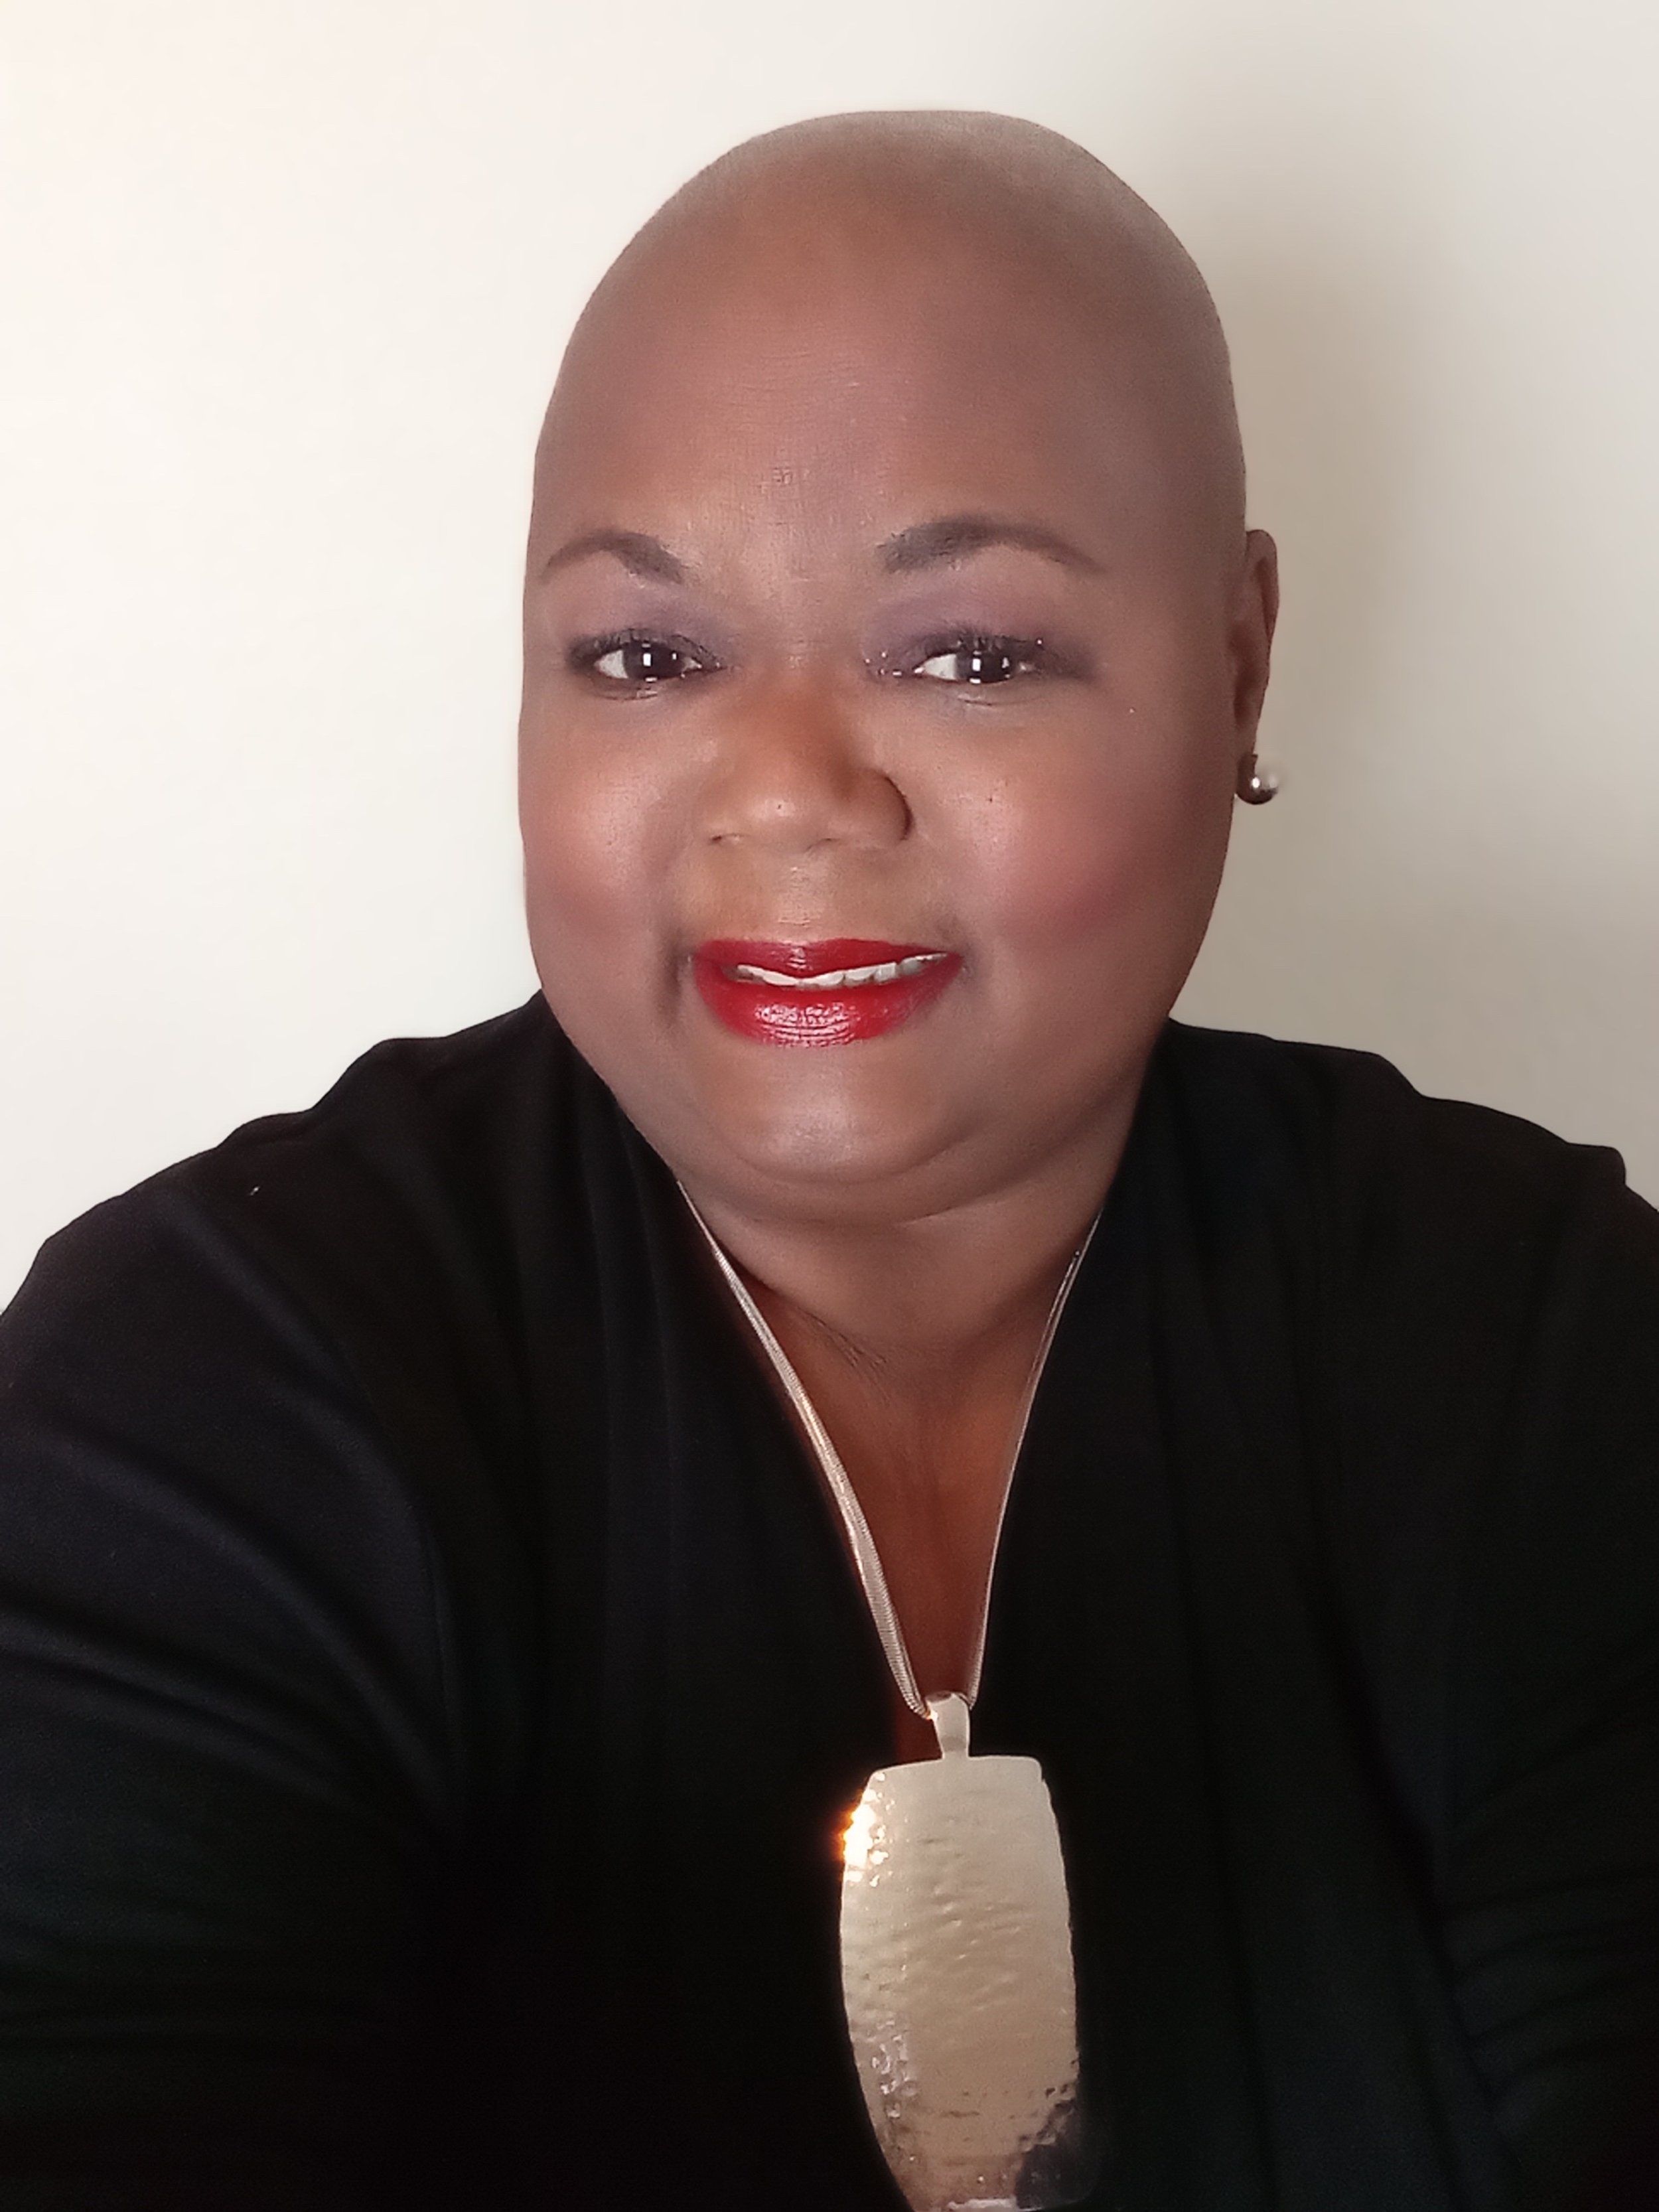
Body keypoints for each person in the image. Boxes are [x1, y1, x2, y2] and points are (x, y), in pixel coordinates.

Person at [0, 110, 1655, 2211]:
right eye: (646, 655)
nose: (783, 791)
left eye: (967, 653)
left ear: (1235, 661)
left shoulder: (1523, 1349)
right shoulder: (216, 1389)